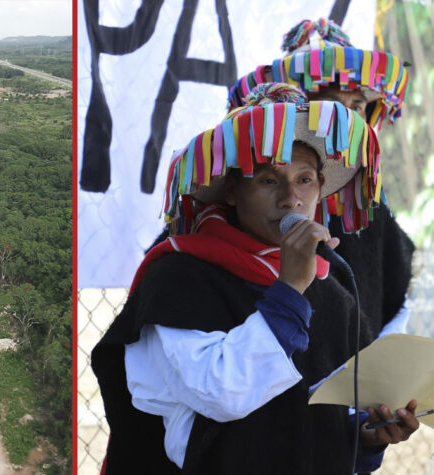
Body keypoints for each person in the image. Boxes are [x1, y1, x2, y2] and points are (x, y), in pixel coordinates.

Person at [92, 84, 420, 474]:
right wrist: (290, 290)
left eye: (304, 180)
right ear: (232, 190)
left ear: (320, 188)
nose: (290, 199)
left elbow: (311, 422)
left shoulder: (332, 290)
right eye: (268, 180)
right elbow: (222, 393)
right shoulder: (178, 277)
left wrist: (363, 437)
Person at [226, 18, 415, 340]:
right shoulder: (242, 209)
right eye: (330, 105)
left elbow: (395, 308)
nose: (345, 120)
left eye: (356, 107)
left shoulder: (369, 211)